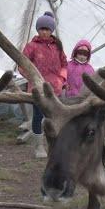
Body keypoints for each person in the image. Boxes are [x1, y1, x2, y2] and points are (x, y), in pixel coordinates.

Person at [21, 11, 68, 158]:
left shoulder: (57, 47)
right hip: (37, 89)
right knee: (38, 116)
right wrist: (33, 78)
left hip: (55, 88)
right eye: (42, 29)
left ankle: (55, 144)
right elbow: (22, 66)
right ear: (38, 30)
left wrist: (61, 79)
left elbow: (64, 64)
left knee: (55, 116)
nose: (44, 32)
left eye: (47, 29)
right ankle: (39, 146)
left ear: (51, 30)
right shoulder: (31, 47)